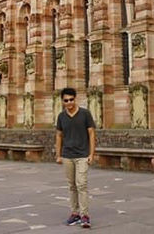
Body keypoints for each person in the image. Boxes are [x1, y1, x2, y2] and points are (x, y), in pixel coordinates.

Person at [55, 87, 96, 228]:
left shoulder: (85, 114)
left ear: (75, 99)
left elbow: (91, 134)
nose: (69, 102)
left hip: (82, 155)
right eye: (66, 100)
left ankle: (85, 215)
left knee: (82, 184)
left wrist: (91, 154)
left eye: (71, 99)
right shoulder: (61, 116)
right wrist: (58, 155)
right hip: (67, 156)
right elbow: (59, 136)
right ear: (63, 101)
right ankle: (74, 213)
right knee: (72, 186)